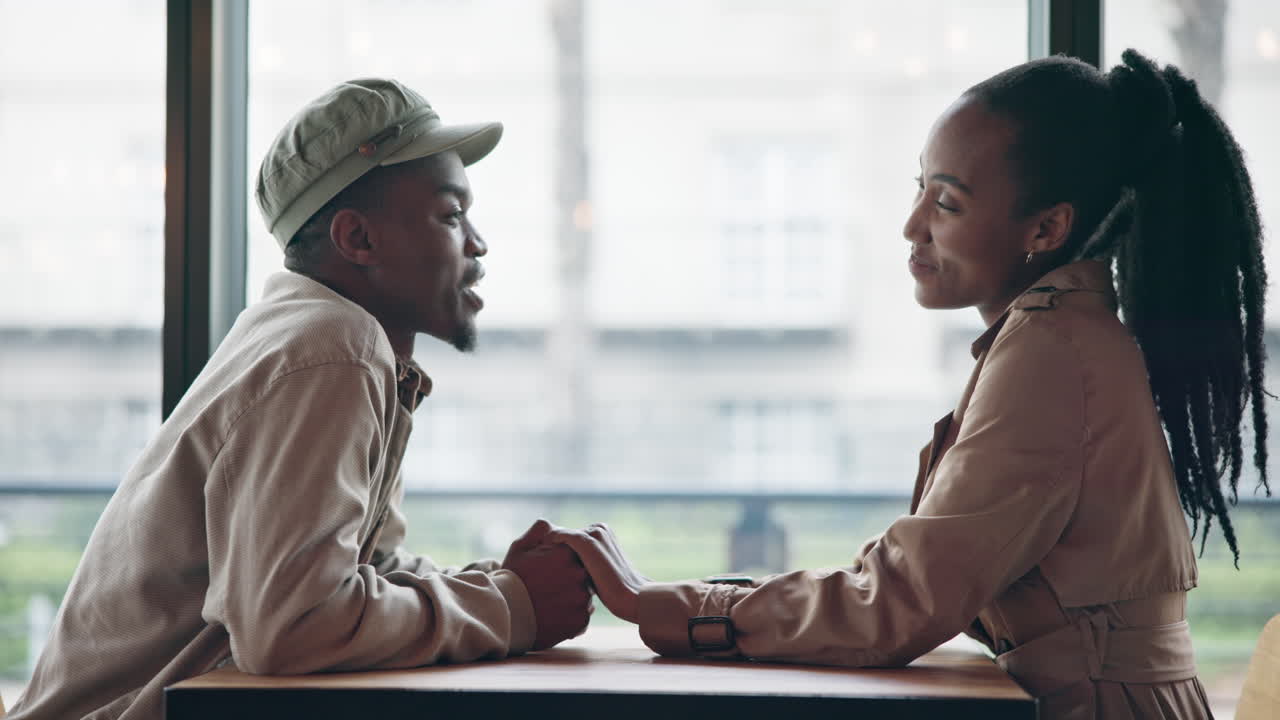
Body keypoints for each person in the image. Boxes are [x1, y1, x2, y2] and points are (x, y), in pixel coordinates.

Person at [552, 50, 1269, 720]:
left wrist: (672, 606)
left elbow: (898, 603)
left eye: (948, 204)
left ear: (1047, 228)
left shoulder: (1051, 350)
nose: (911, 226)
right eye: (919, 190)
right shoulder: (1054, 334)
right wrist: (704, 598)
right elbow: (907, 577)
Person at [9, 78, 592, 720]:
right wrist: (509, 605)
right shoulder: (334, 346)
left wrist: (498, 583)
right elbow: (293, 625)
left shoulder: (312, 334)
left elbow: (362, 573)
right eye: (451, 215)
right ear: (358, 240)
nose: (477, 244)